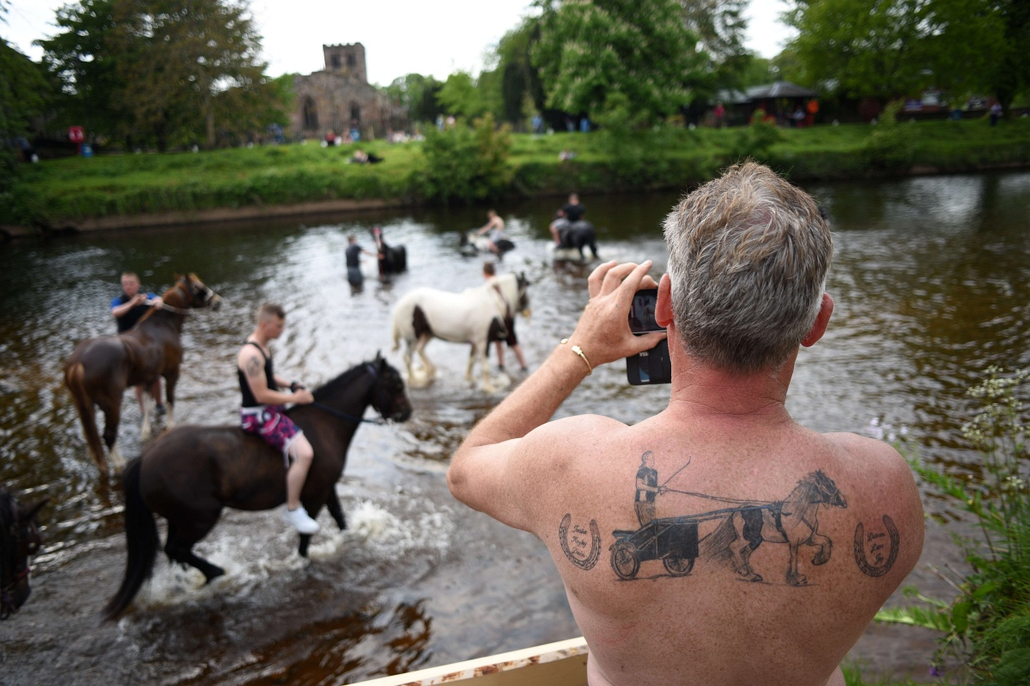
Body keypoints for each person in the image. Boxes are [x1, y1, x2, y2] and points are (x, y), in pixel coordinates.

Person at [448, 162, 924, 686]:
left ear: (666, 304)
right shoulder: (887, 485)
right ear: (817, 322)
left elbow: (467, 467)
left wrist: (579, 349)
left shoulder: (572, 461)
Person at [238, 303, 319, 534]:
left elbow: (267, 375)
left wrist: (289, 383)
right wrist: (296, 398)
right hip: (258, 416)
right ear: (265, 325)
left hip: (269, 410)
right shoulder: (251, 354)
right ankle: (292, 508)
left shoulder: (261, 346)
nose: (282, 331)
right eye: (279, 326)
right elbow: (261, 393)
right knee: (305, 454)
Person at [111, 272, 165, 417]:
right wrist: (132, 304)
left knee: (156, 376)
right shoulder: (118, 301)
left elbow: (158, 298)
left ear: (137, 285)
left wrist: (158, 301)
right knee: (139, 381)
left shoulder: (146, 297)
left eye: (130, 283)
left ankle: (159, 404)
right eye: (125, 284)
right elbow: (115, 312)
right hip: (128, 344)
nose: (128, 287)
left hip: (145, 342)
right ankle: (143, 411)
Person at [483, 262, 527, 372]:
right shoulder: (502, 281)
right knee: (506, 342)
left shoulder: (489, 285)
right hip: (508, 316)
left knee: (511, 342)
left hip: (502, 318)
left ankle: (522, 366)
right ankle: (502, 364)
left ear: (484, 273)